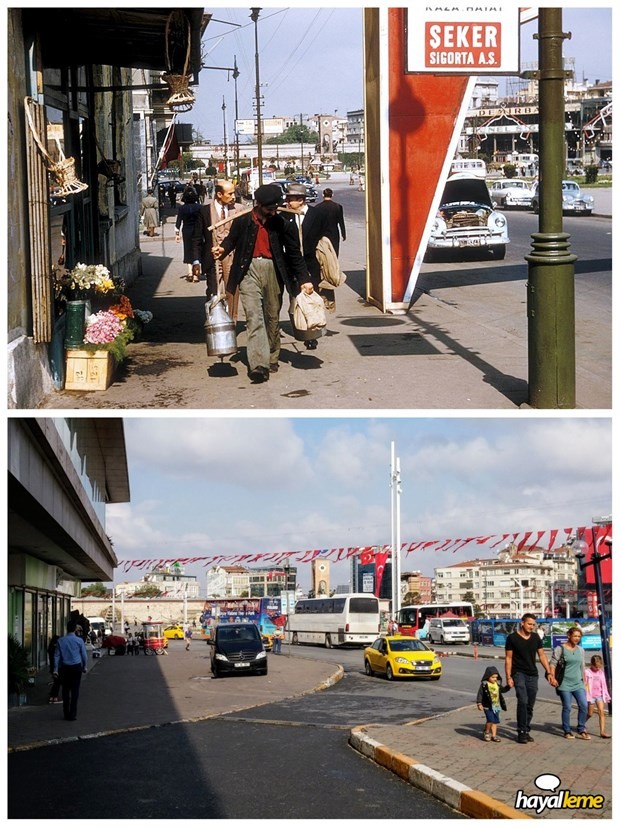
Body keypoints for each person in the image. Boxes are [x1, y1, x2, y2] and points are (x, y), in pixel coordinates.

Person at [212, 183, 313, 382]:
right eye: (270, 208)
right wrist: (221, 249)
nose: (273, 211)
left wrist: (304, 280)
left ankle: (272, 356)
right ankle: (259, 364)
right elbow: (231, 240)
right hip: (248, 271)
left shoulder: (284, 222)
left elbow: (294, 253)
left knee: (272, 317)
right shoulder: (243, 221)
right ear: (258, 204)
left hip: (274, 271)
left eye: (276, 207)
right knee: (253, 318)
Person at [282, 182, 330, 351]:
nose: (288, 202)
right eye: (287, 198)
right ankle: (300, 330)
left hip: (312, 264)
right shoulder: (285, 216)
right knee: (295, 298)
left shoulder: (317, 215)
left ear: (301, 200)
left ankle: (312, 335)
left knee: (311, 297)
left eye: (291, 199)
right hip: (291, 264)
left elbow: (327, 237)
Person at [191, 179, 240, 317]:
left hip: (233, 259)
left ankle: (231, 324)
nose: (233, 197)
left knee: (232, 292)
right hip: (213, 259)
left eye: (234, 193)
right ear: (219, 194)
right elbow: (196, 238)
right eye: (230, 194)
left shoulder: (238, 210)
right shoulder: (205, 211)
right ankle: (215, 322)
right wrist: (196, 261)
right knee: (213, 291)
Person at [504, 613, 556, 744]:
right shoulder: (512, 638)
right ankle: (521, 732)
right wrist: (508, 677)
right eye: (529, 624)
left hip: (532, 674)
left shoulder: (535, 637)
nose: (531, 627)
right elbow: (508, 658)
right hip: (518, 673)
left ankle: (526, 729)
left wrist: (549, 672)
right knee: (523, 700)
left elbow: (542, 655)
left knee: (530, 704)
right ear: (522, 623)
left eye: (533, 624)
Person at [549, 626, 590, 739]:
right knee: (567, 707)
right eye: (575, 636)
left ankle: (581, 728)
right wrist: (552, 677)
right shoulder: (560, 649)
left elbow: (582, 666)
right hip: (564, 683)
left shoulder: (580, 650)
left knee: (583, 705)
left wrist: (584, 681)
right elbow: (553, 664)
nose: (577, 638)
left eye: (579, 636)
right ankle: (567, 730)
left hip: (578, 683)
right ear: (569, 636)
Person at [53, 619, 88, 721]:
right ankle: (72, 714)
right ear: (75, 629)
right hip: (76, 668)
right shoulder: (79, 641)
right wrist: (84, 666)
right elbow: (84, 655)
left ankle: (66, 713)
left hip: (64, 668)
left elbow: (56, 656)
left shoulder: (60, 641)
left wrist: (55, 669)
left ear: (66, 629)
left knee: (65, 691)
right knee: (75, 691)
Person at [476, 665, 510, 742]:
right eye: (493, 677)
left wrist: (509, 686)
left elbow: (503, 690)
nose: (495, 679)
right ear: (488, 676)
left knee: (495, 721)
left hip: (496, 706)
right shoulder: (484, 685)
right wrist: (479, 703)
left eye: (496, 677)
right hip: (487, 706)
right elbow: (480, 694)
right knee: (490, 719)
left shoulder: (497, 684)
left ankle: (494, 735)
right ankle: (487, 732)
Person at [176, 187, 202, 282]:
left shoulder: (182, 208)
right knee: (197, 250)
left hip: (186, 230)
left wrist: (177, 234)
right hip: (198, 230)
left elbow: (178, 221)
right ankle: (196, 274)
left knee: (188, 249)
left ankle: (190, 272)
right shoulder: (199, 207)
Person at [585, 654, 611, 738]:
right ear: (592, 664)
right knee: (590, 714)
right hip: (591, 696)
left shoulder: (601, 672)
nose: (598, 668)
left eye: (600, 667)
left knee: (601, 712)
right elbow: (585, 684)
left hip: (599, 695)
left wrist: (606, 695)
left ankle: (602, 732)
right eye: (596, 667)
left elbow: (604, 684)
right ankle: (581, 724)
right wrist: (586, 695)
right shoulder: (587, 672)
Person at [314, 188, 346, 256]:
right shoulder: (338, 207)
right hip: (334, 233)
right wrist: (343, 234)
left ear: (323, 195)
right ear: (332, 195)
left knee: (323, 253)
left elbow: (315, 223)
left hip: (321, 233)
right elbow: (341, 222)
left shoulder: (317, 207)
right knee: (334, 252)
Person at [47, 634, 62, 704]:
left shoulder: (50, 648)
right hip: (56, 668)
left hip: (52, 667)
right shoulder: (56, 649)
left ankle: (52, 696)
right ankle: (54, 697)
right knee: (57, 683)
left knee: (56, 682)